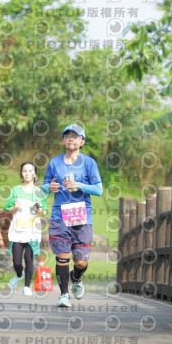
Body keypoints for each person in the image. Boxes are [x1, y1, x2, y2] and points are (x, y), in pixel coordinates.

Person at [43, 124, 103, 307]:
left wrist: (80, 186)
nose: (71, 138)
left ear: (82, 142)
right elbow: (45, 185)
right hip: (59, 215)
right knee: (62, 257)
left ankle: (76, 278)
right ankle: (63, 295)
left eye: (75, 136)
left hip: (82, 216)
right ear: (63, 140)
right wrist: (49, 188)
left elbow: (98, 189)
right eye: (67, 135)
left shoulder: (89, 163)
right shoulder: (54, 162)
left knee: (80, 260)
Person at [4, 162, 47, 296]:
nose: (27, 173)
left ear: (35, 174)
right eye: (24, 171)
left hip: (32, 232)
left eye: (30, 171)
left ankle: (27, 286)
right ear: (21, 174)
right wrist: (15, 208)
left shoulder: (39, 193)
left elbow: (44, 212)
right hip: (17, 231)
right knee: (17, 260)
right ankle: (18, 274)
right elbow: (7, 208)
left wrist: (39, 211)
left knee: (29, 259)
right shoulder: (15, 190)